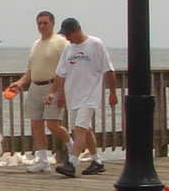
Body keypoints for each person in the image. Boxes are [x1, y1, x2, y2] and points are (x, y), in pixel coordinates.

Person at [47, 18, 118, 177]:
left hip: (90, 94)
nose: (68, 37)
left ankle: (72, 163)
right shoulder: (68, 48)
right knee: (84, 129)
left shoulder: (95, 44)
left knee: (80, 128)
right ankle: (96, 161)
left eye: (70, 34)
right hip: (73, 95)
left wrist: (113, 92)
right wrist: (54, 92)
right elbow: (61, 73)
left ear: (78, 29)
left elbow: (109, 70)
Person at [4, 10, 68, 171]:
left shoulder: (61, 42)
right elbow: (30, 72)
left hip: (53, 85)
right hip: (35, 87)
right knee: (36, 123)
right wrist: (19, 83)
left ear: (52, 23)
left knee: (53, 124)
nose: (42, 26)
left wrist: (63, 93)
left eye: (45, 23)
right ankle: (43, 161)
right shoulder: (36, 44)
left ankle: (73, 147)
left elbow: (67, 69)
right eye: (39, 23)